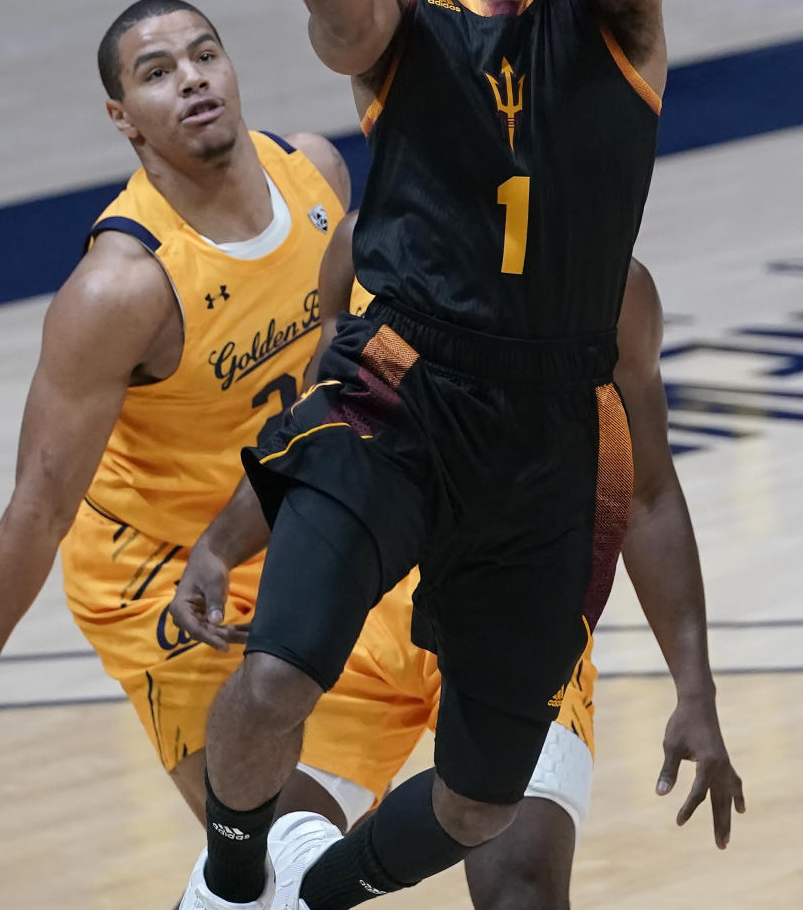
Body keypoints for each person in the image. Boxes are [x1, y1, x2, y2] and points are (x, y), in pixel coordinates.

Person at [175, 0, 684, 910]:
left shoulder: (621, 7)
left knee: (477, 800)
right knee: (274, 681)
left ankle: (322, 894)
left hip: (541, 431)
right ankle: (239, 874)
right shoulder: (404, 13)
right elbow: (335, 16)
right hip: (396, 387)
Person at [0, 0, 365, 828]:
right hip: (161, 573)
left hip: (292, 523)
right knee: (274, 851)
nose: (191, 81)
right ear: (123, 118)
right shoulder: (120, 288)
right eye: (158, 74)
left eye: (204, 56)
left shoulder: (316, 172)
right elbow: (40, 505)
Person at [288, 214, 743, 908]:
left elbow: (647, 494)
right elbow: (322, 433)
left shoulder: (611, 290)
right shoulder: (363, 241)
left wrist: (695, 690)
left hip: (518, 616)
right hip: (365, 614)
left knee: (521, 890)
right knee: (264, 874)